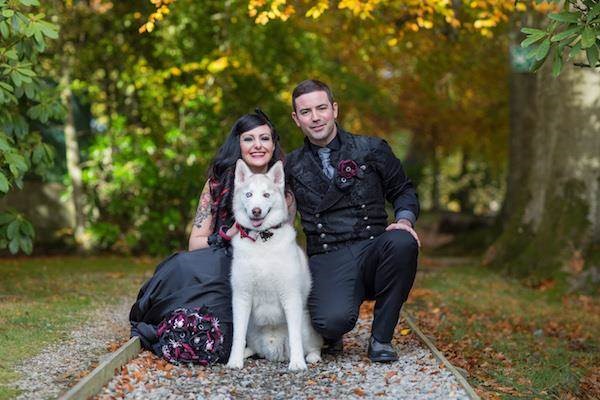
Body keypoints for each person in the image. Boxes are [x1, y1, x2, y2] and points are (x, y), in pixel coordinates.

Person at [129, 110, 288, 364]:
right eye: (249, 139)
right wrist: (229, 234)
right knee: (180, 265)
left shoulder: (283, 188)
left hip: (259, 268)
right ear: (238, 144)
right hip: (217, 257)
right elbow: (195, 243)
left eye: (264, 138)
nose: (257, 145)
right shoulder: (218, 182)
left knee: (220, 329)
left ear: (273, 144)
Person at [284, 79, 420, 363]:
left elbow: (403, 190)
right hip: (328, 256)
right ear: (297, 119)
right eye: (306, 112)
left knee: (402, 242)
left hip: (374, 248)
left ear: (334, 109)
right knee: (331, 322)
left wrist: (405, 220)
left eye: (321, 108)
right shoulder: (290, 165)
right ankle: (332, 331)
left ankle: (381, 338)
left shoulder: (371, 149)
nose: (316, 117)